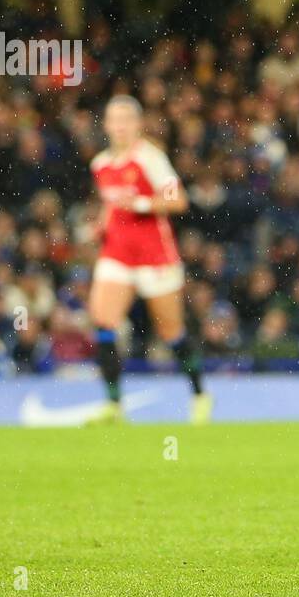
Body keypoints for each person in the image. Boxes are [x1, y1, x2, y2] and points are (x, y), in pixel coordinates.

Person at [88, 96, 212, 424]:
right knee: (103, 321)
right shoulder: (100, 164)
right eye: (115, 119)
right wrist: (100, 225)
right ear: (107, 125)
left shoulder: (150, 158)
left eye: (127, 119)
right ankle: (114, 404)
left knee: (171, 332)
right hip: (116, 253)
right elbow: (111, 204)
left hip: (155, 256)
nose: (121, 126)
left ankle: (200, 395)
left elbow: (178, 200)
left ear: (137, 124)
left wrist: (141, 203)